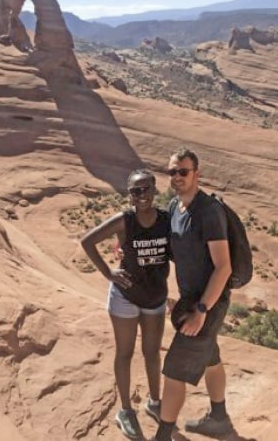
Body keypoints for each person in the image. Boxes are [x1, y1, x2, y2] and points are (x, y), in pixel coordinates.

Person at [151, 147, 234, 441]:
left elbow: (223, 267)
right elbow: (174, 250)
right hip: (191, 300)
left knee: (174, 370)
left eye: (183, 171)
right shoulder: (176, 207)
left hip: (207, 302)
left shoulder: (208, 212)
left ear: (197, 174)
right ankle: (219, 419)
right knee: (210, 357)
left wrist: (201, 310)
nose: (177, 177)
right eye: (172, 171)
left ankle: (163, 435)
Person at [81, 169, 170, 440]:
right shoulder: (124, 221)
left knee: (153, 353)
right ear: (129, 195)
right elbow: (88, 241)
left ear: (155, 189)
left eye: (145, 189)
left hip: (155, 297)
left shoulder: (167, 220)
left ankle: (155, 403)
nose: (141, 195)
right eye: (135, 191)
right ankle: (126, 411)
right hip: (125, 297)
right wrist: (109, 274)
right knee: (125, 353)